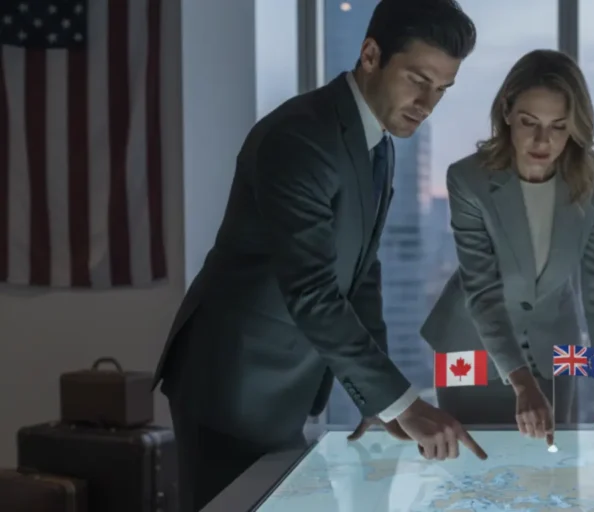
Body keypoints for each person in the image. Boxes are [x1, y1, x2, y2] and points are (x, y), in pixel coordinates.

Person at [150, 1, 485, 510]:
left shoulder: (377, 140)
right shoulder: (301, 137)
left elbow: (361, 272)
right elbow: (313, 292)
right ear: (371, 55)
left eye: (441, 89)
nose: (427, 102)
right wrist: (406, 403)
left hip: (284, 387)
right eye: (418, 79)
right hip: (234, 387)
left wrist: (379, 404)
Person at [421, 49, 594, 444]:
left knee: (553, 468)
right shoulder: (468, 179)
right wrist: (522, 384)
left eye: (558, 126)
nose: (542, 140)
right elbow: (482, 291)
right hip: (469, 340)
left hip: (559, 344)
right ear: (506, 112)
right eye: (529, 122)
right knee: (472, 465)